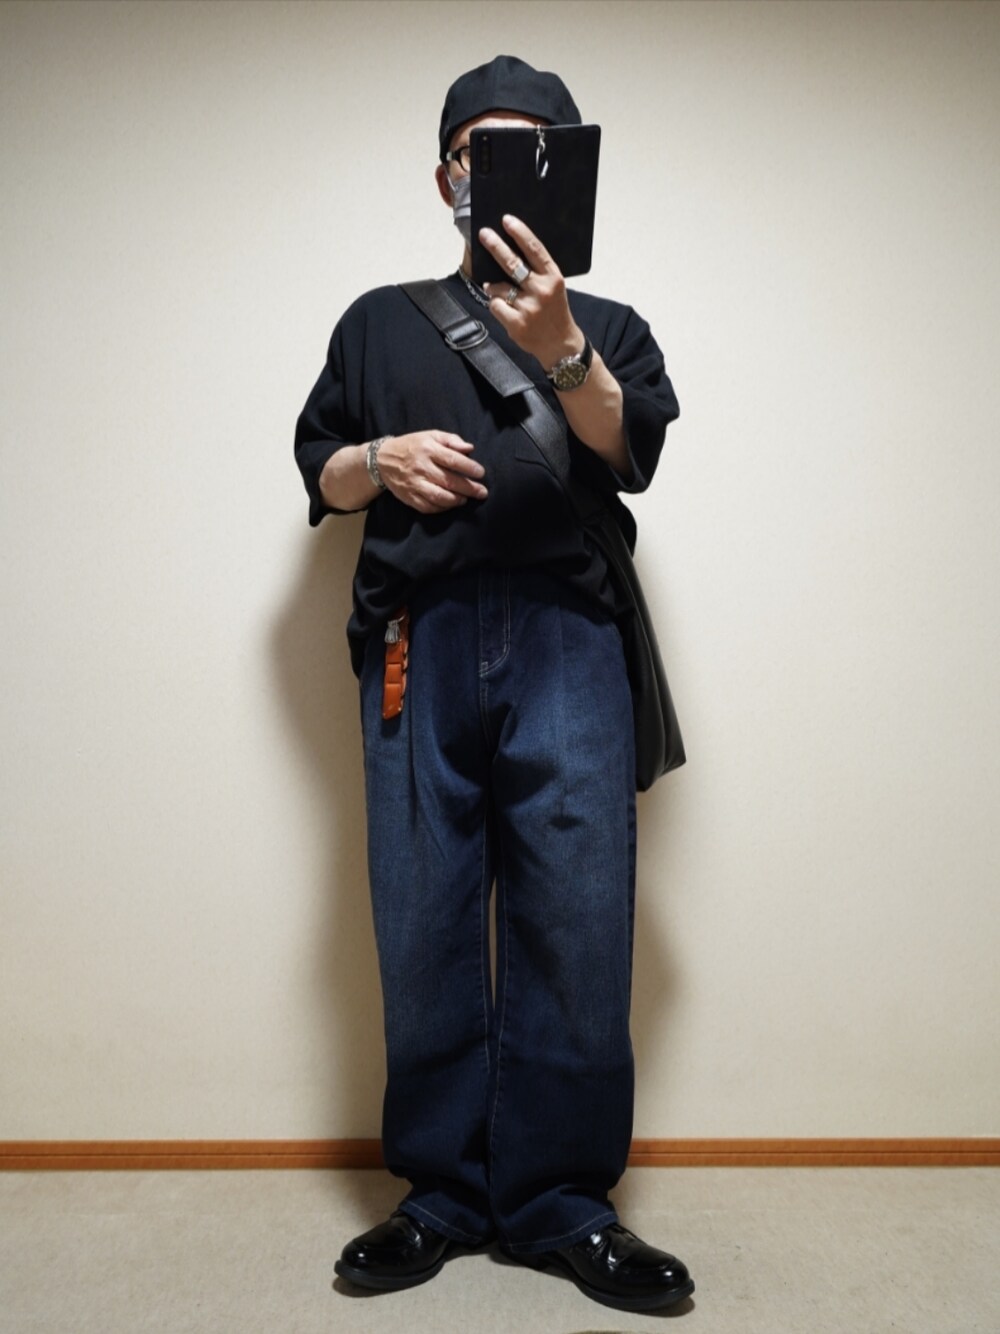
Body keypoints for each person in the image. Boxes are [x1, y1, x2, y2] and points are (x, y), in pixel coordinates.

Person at [294, 55, 692, 1314]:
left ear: (570, 174)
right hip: (417, 636)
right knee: (421, 915)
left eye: (530, 149)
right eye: (479, 149)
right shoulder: (377, 320)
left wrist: (562, 349)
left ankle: (562, 1203)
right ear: (445, 178)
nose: (496, 170)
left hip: (568, 638)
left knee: (576, 918)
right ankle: (440, 1196)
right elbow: (318, 467)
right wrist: (376, 457)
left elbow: (627, 450)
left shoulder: (607, 326)